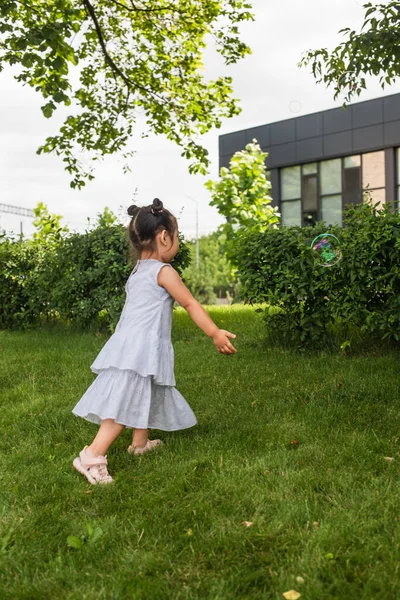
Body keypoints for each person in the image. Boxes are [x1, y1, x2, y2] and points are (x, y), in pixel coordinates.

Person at [72, 198, 237, 485]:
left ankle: (140, 443)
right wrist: (214, 332)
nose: (178, 243)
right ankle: (91, 457)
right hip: (139, 348)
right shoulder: (165, 272)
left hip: (130, 345)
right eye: (177, 237)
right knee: (124, 403)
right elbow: (191, 304)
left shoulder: (137, 271)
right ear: (163, 237)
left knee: (142, 391)